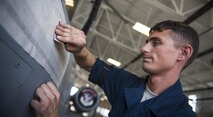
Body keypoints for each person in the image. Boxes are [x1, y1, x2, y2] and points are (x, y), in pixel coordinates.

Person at [33, 20, 199, 116]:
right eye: (147, 42)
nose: (144, 49)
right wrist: (79, 48)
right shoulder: (126, 83)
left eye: (156, 43)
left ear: (183, 53)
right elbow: (90, 63)